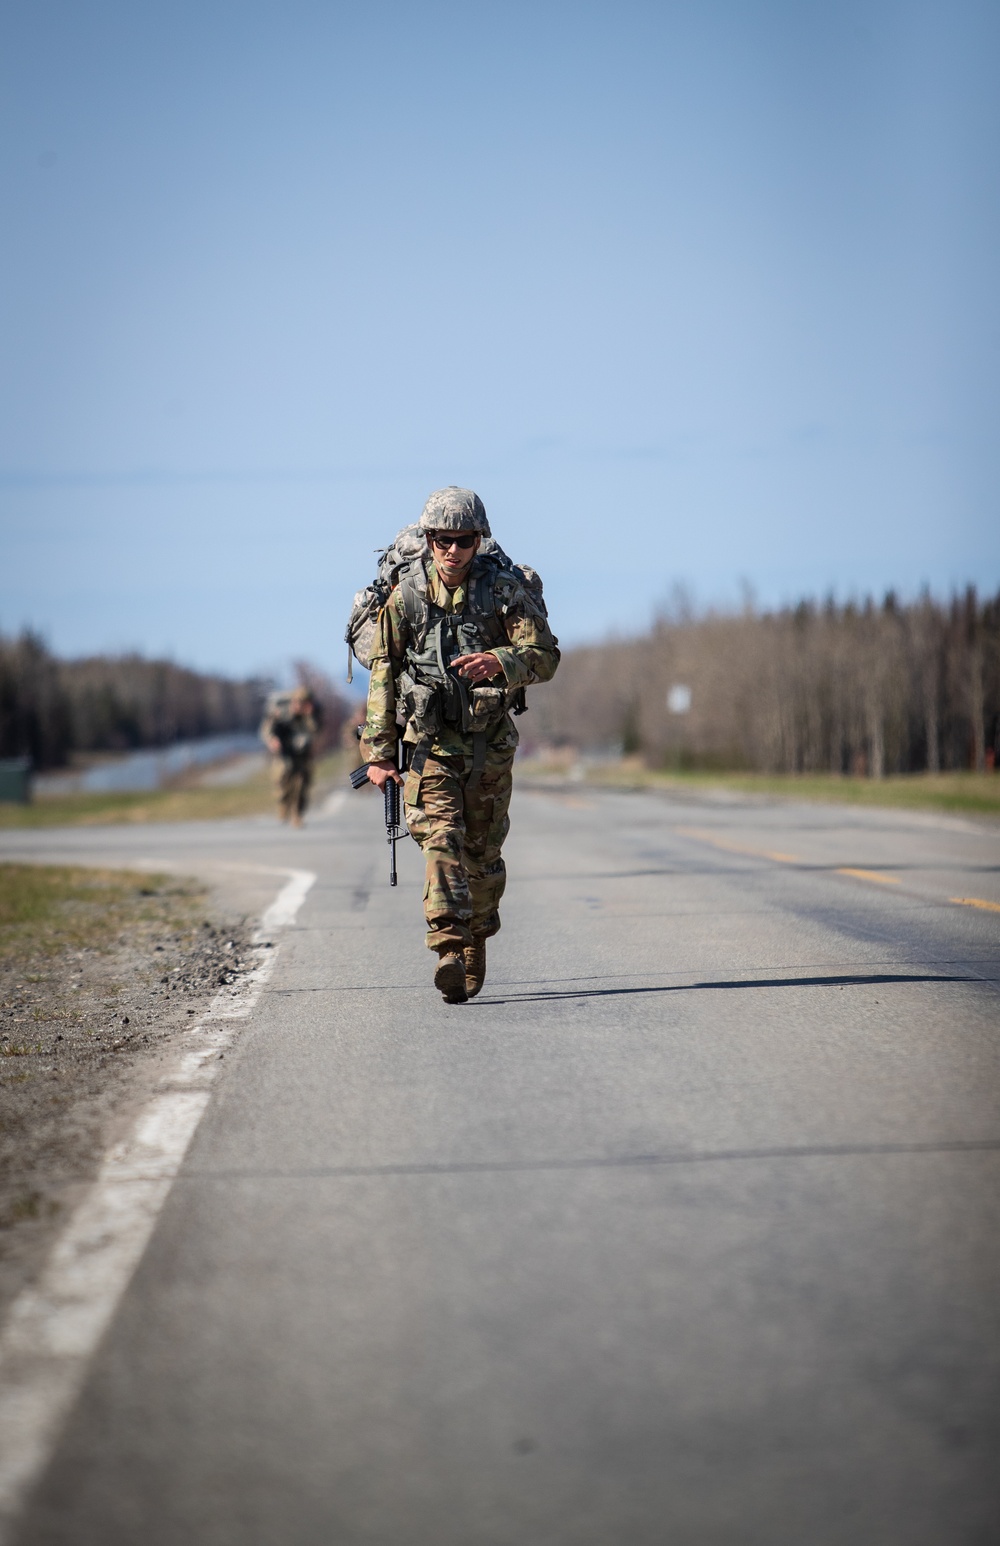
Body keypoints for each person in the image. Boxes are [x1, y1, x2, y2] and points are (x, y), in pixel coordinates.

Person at [361, 486, 560, 1003]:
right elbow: (383, 673)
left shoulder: (501, 592)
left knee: (482, 855)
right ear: (428, 540)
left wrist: (501, 661)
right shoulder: (405, 598)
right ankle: (448, 944)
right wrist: (379, 752)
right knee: (440, 838)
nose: (453, 551)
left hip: (489, 746)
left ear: (479, 540)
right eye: (443, 540)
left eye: (465, 540)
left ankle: (477, 937)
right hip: (429, 747)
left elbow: (545, 655)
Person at [260, 685, 318, 826]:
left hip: (302, 755)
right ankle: (283, 807)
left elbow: (315, 731)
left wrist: (309, 715)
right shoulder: (281, 712)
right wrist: (272, 740)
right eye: (298, 702)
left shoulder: (310, 715)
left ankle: (297, 815)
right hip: (284, 754)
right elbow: (267, 729)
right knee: (282, 783)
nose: (300, 706)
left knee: (301, 786)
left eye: (304, 703)